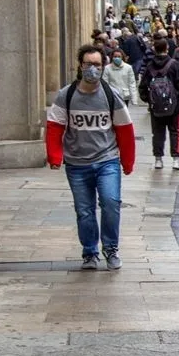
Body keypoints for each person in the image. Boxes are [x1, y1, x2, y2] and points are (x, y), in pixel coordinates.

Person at [45, 44, 136, 270]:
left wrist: (127, 161)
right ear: (80, 66)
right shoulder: (67, 95)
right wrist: (55, 156)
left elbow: (125, 129)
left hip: (107, 161)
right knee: (84, 210)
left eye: (97, 65)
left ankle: (111, 248)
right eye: (88, 64)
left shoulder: (110, 95)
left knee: (111, 203)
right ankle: (90, 252)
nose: (93, 69)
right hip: (77, 164)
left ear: (102, 67)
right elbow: (55, 126)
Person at [139, 38, 179, 170]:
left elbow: (142, 87)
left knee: (157, 132)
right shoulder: (175, 65)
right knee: (176, 131)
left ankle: (158, 159)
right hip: (175, 105)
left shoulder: (150, 66)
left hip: (156, 107)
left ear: (154, 49)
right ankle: (176, 160)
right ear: (167, 49)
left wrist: (150, 100)